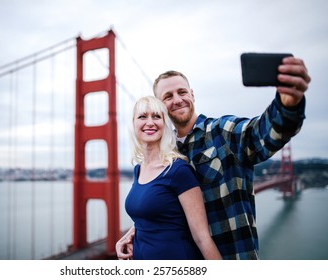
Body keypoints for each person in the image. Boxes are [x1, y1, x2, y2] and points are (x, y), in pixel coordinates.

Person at [117, 56, 311, 260]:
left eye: (182, 92)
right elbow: (162, 206)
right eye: (167, 96)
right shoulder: (163, 153)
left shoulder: (222, 132)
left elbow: (262, 134)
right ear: (160, 106)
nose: (177, 99)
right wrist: (136, 230)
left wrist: (288, 105)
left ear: (192, 95)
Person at [124, 95, 222, 260]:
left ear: (164, 125)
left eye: (157, 116)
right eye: (142, 116)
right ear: (134, 124)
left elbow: (202, 237)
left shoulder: (178, 171)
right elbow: (149, 218)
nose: (150, 122)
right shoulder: (138, 170)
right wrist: (127, 237)